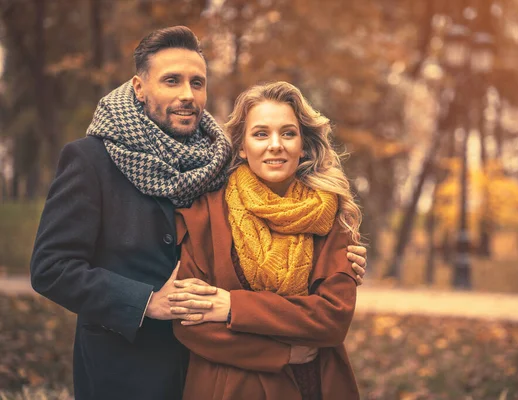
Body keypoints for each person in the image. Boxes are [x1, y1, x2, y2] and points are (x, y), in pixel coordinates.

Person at [30, 26, 367, 400]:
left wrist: (338, 255)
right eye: (171, 81)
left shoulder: (217, 163)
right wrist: (146, 301)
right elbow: (51, 268)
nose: (187, 95)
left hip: (209, 374)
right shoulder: (91, 159)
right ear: (139, 87)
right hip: (126, 369)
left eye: (197, 82)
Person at [172, 81, 362, 400]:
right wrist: (281, 353)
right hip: (229, 387)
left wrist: (232, 306)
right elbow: (190, 321)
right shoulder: (205, 212)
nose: (276, 145)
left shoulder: (330, 214)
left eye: (288, 133)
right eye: (261, 134)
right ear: (242, 146)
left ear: (303, 144)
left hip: (310, 386)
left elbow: (332, 318)